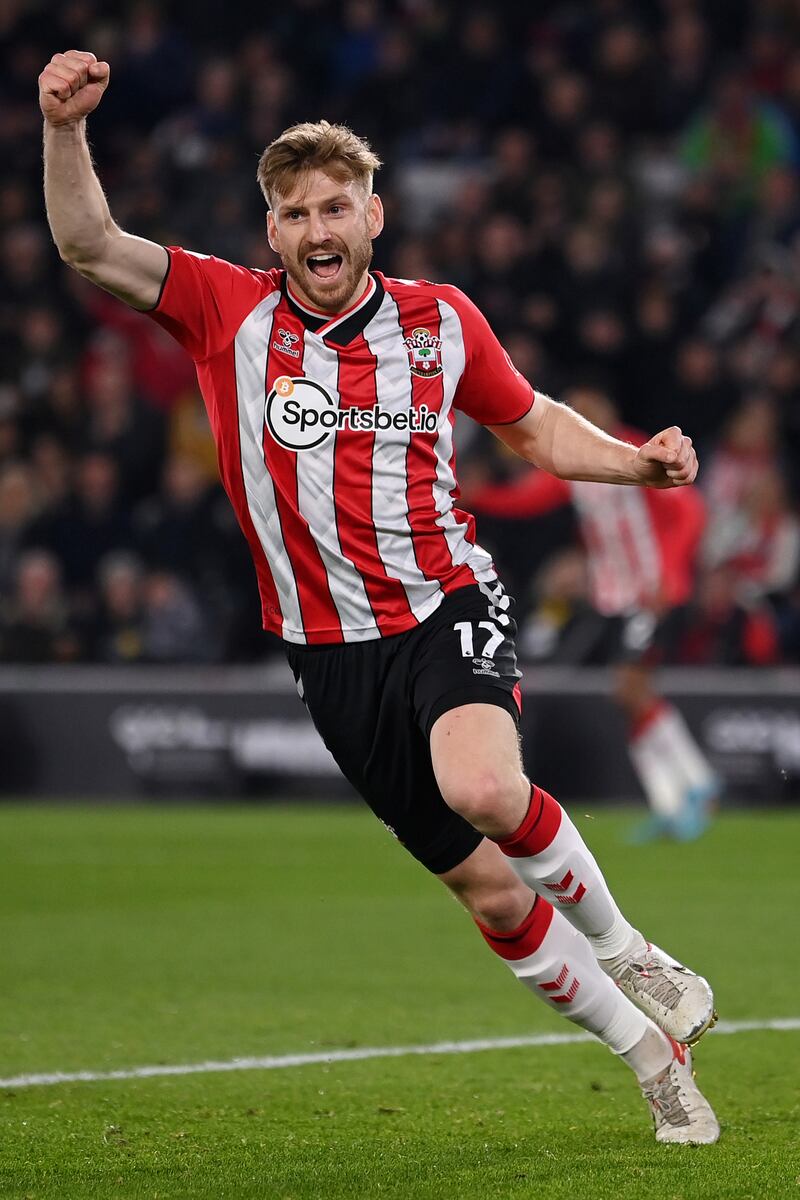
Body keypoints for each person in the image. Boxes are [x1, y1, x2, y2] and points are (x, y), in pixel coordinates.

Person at [39, 49, 719, 1145]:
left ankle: (632, 949)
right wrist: (64, 129)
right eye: (296, 211)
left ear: (375, 215)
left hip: (443, 600)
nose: (318, 230)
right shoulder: (225, 312)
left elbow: (531, 424)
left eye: (336, 207)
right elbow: (86, 244)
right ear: (271, 232)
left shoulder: (440, 321)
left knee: (487, 788)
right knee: (493, 897)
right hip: (326, 652)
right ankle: (650, 1055)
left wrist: (637, 462)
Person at [470, 382, 720, 841]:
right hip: (618, 597)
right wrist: (468, 494)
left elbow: (689, 510)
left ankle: (692, 789)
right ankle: (678, 797)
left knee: (630, 688)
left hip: (651, 591)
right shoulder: (579, 461)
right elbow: (529, 499)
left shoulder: (636, 450)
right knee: (629, 693)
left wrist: (669, 572)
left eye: (587, 408)